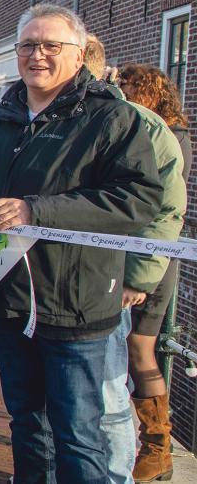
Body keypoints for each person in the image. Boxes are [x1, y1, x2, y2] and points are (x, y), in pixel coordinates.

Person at [0, 4, 161, 484]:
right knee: (27, 425)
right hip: (11, 302)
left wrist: (37, 211)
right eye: (27, 45)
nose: (37, 56)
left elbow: (140, 199)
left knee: (78, 435)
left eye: (51, 46)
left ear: (78, 55)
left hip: (76, 306)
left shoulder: (111, 118)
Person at [120, 63, 190, 483]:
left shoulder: (170, 136)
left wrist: (142, 272)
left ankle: (157, 446)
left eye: (130, 86)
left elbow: (165, 205)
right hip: (134, 252)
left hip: (153, 259)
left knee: (140, 348)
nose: (123, 91)